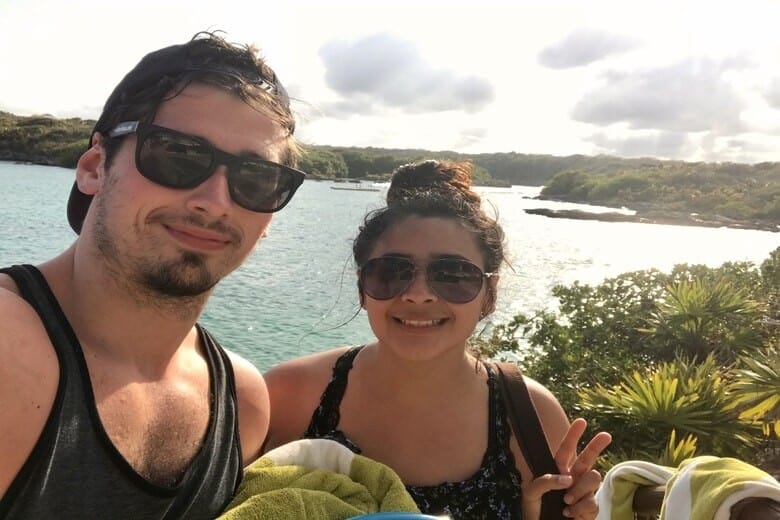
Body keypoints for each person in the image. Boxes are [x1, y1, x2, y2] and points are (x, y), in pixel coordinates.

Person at [0, 31, 305, 518]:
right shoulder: (8, 342)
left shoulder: (243, 403)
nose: (215, 200)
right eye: (177, 153)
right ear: (95, 166)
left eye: (255, 178)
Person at [263, 159, 612, 519]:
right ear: (362, 287)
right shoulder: (288, 395)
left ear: (489, 295)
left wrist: (552, 513)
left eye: (452, 274)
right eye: (392, 272)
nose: (418, 294)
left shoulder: (529, 417)